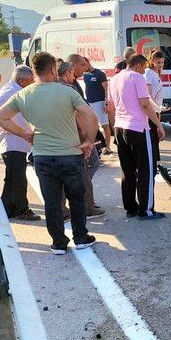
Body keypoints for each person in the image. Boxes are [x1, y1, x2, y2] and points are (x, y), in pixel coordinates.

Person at [0, 52, 99, 254]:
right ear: (53, 69)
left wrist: (24, 133)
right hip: (70, 154)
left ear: (34, 71)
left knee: (52, 201)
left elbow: (1, 117)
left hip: (42, 156)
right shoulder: (67, 92)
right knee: (77, 198)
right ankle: (81, 238)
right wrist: (89, 141)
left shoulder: (23, 94)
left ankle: (59, 243)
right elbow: (90, 116)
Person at [108, 54, 166, 219]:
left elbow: (111, 107)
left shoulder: (114, 79)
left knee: (127, 170)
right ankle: (146, 210)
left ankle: (130, 207)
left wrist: (113, 128)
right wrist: (159, 125)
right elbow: (145, 103)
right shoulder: (137, 78)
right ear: (140, 66)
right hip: (138, 128)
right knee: (146, 170)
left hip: (120, 127)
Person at [65, 55, 105, 219]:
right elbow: (79, 114)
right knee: (86, 168)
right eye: (82, 65)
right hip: (80, 135)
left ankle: (84, 200)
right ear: (72, 67)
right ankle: (85, 203)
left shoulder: (73, 83)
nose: (85, 68)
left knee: (91, 166)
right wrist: (88, 137)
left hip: (81, 134)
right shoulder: (68, 86)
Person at [0, 66, 40, 221]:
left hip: (17, 140)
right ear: (22, 81)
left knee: (12, 178)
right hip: (12, 140)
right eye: (30, 81)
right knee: (18, 178)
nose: (32, 83)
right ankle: (21, 210)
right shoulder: (10, 91)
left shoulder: (15, 89)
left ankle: (6, 208)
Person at [83, 57, 112, 154]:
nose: (83, 67)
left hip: (100, 102)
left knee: (105, 125)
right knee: (92, 125)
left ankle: (108, 147)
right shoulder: (85, 75)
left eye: (83, 65)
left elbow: (106, 89)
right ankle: (96, 146)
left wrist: (106, 103)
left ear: (87, 62)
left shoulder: (99, 74)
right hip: (90, 103)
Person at [144, 50, 165, 164]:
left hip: (157, 109)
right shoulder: (148, 72)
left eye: (162, 62)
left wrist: (159, 108)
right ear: (152, 61)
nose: (160, 65)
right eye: (158, 62)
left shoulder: (156, 73)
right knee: (153, 137)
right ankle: (153, 163)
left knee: (156, 136)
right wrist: (157, 106)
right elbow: (148, 94)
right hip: (151, 110)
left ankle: (156, 164)